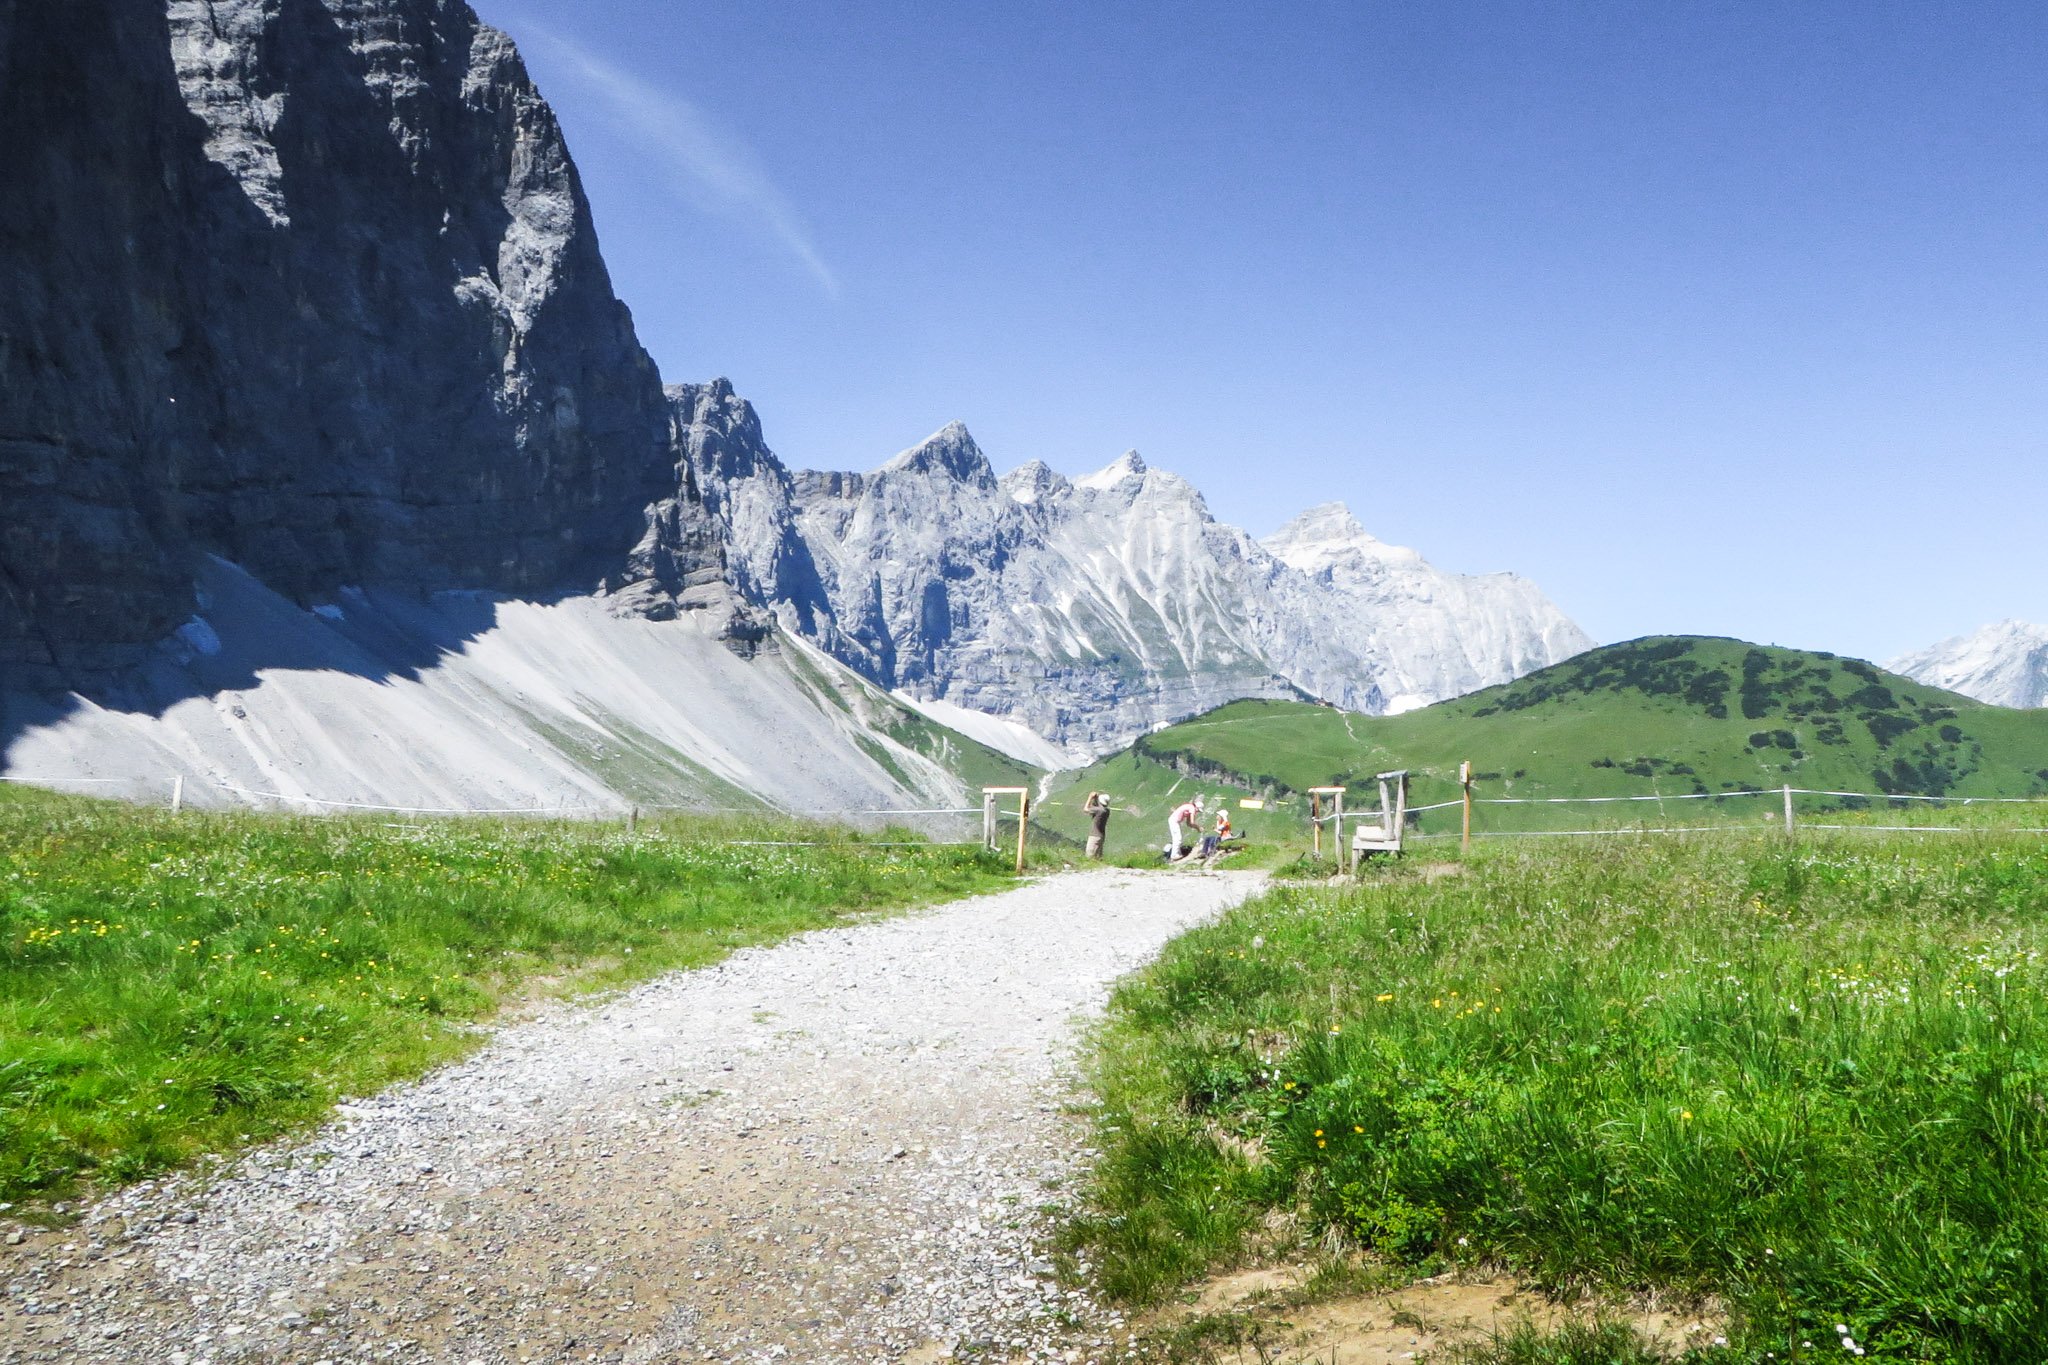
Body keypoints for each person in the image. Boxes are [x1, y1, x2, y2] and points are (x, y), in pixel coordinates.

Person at [1165, 794, 1204, 860]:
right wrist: (1198, 828)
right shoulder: (1192, 808)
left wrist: (1197, 828)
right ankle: (1174, 855)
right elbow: (1192, 822)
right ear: (1197, 808)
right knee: (1178, 838)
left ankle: (1178, 853)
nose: (1197, 812)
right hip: (1174, 821)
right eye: (1198, 810)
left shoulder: (1189, 807)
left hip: (1174, 820)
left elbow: (1188, 823)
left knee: (1178, 838)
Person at [1083, 790, 1112, 860]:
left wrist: (1090, 797)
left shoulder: (1099, 810)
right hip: (1101, 836)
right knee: (1098, 857)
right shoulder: (1106, 810)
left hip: (1094, 836)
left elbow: (1085, 809)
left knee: (1089, 857)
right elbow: (1097, 806)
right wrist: (1096, 799)